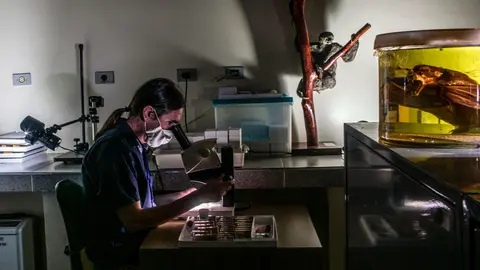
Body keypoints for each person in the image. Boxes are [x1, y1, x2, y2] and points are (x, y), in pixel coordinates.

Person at [81, 78, 233, 270]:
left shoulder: (135, 145)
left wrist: (181, 196)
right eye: (171, 123)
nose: (171, 131)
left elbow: (139, 203)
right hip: (119, 257)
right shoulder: (116, 149)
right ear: (149, 113)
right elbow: (134, 220)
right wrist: (198, 197)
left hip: (134, 245)